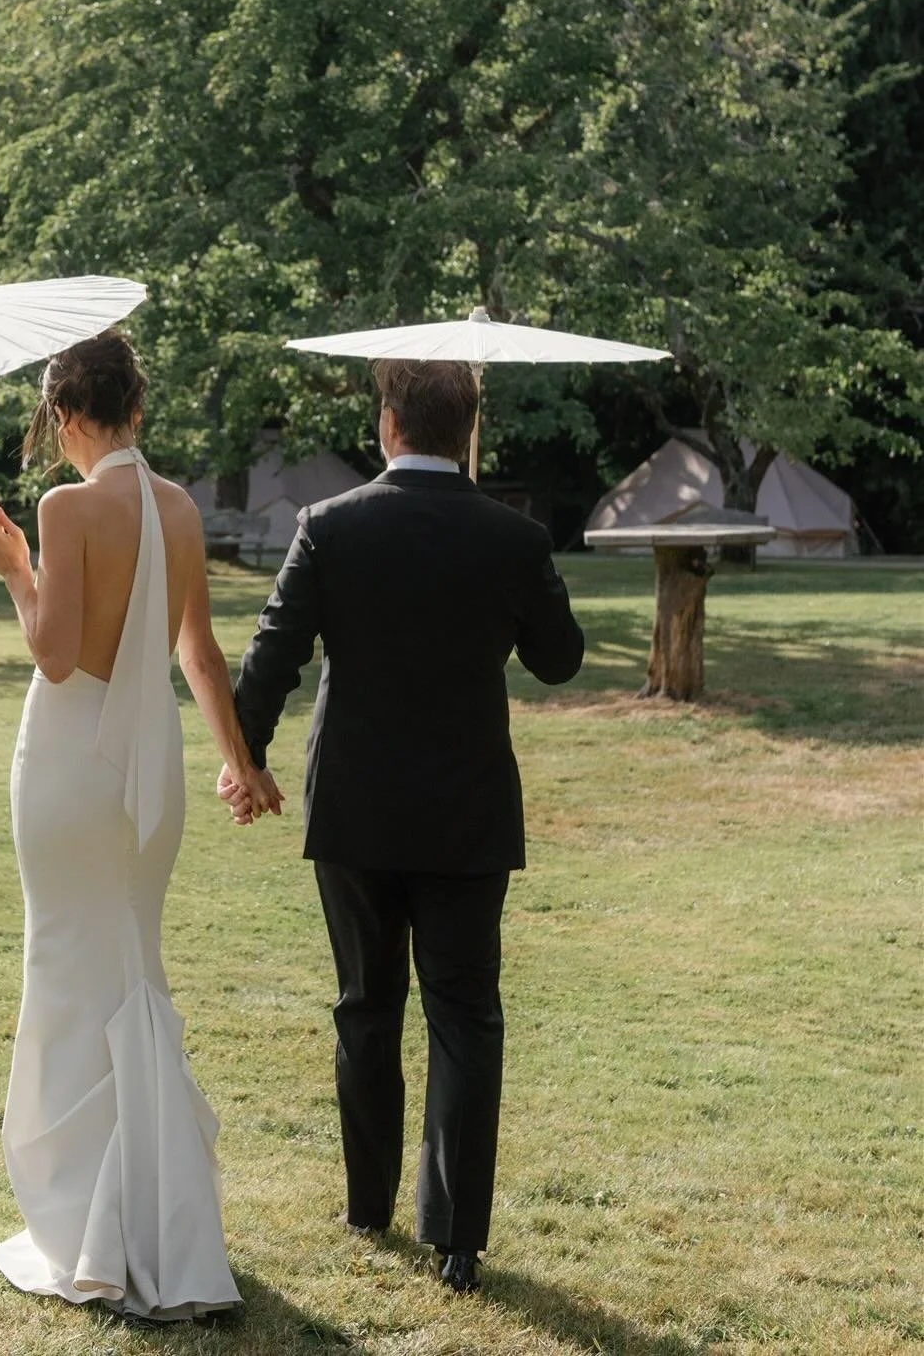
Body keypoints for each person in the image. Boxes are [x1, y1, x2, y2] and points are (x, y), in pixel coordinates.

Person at [220, 358, 584, 1295]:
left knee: (364, 1004)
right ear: (466, 431)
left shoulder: (330, 526)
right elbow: (559, 660)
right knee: (465, 1013)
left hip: (355, 804)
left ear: (387, 426)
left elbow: (272, 655)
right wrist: (518, 572)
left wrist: (244, 758)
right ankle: (458, 1239)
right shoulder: (513, 536)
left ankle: (367, 1205)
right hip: (466, 808)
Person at [0, 331, 282, 1322]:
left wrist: (13, 569)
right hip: (149, 788)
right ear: (136, 410)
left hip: (69, 773)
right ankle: (157, 1217)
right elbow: (198, 655)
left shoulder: (63, 507)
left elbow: (55, 654)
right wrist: (238, 761)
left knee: (69, 974)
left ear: (66, 416)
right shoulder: (182, 509)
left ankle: (90, 1223)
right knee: (131, 973)